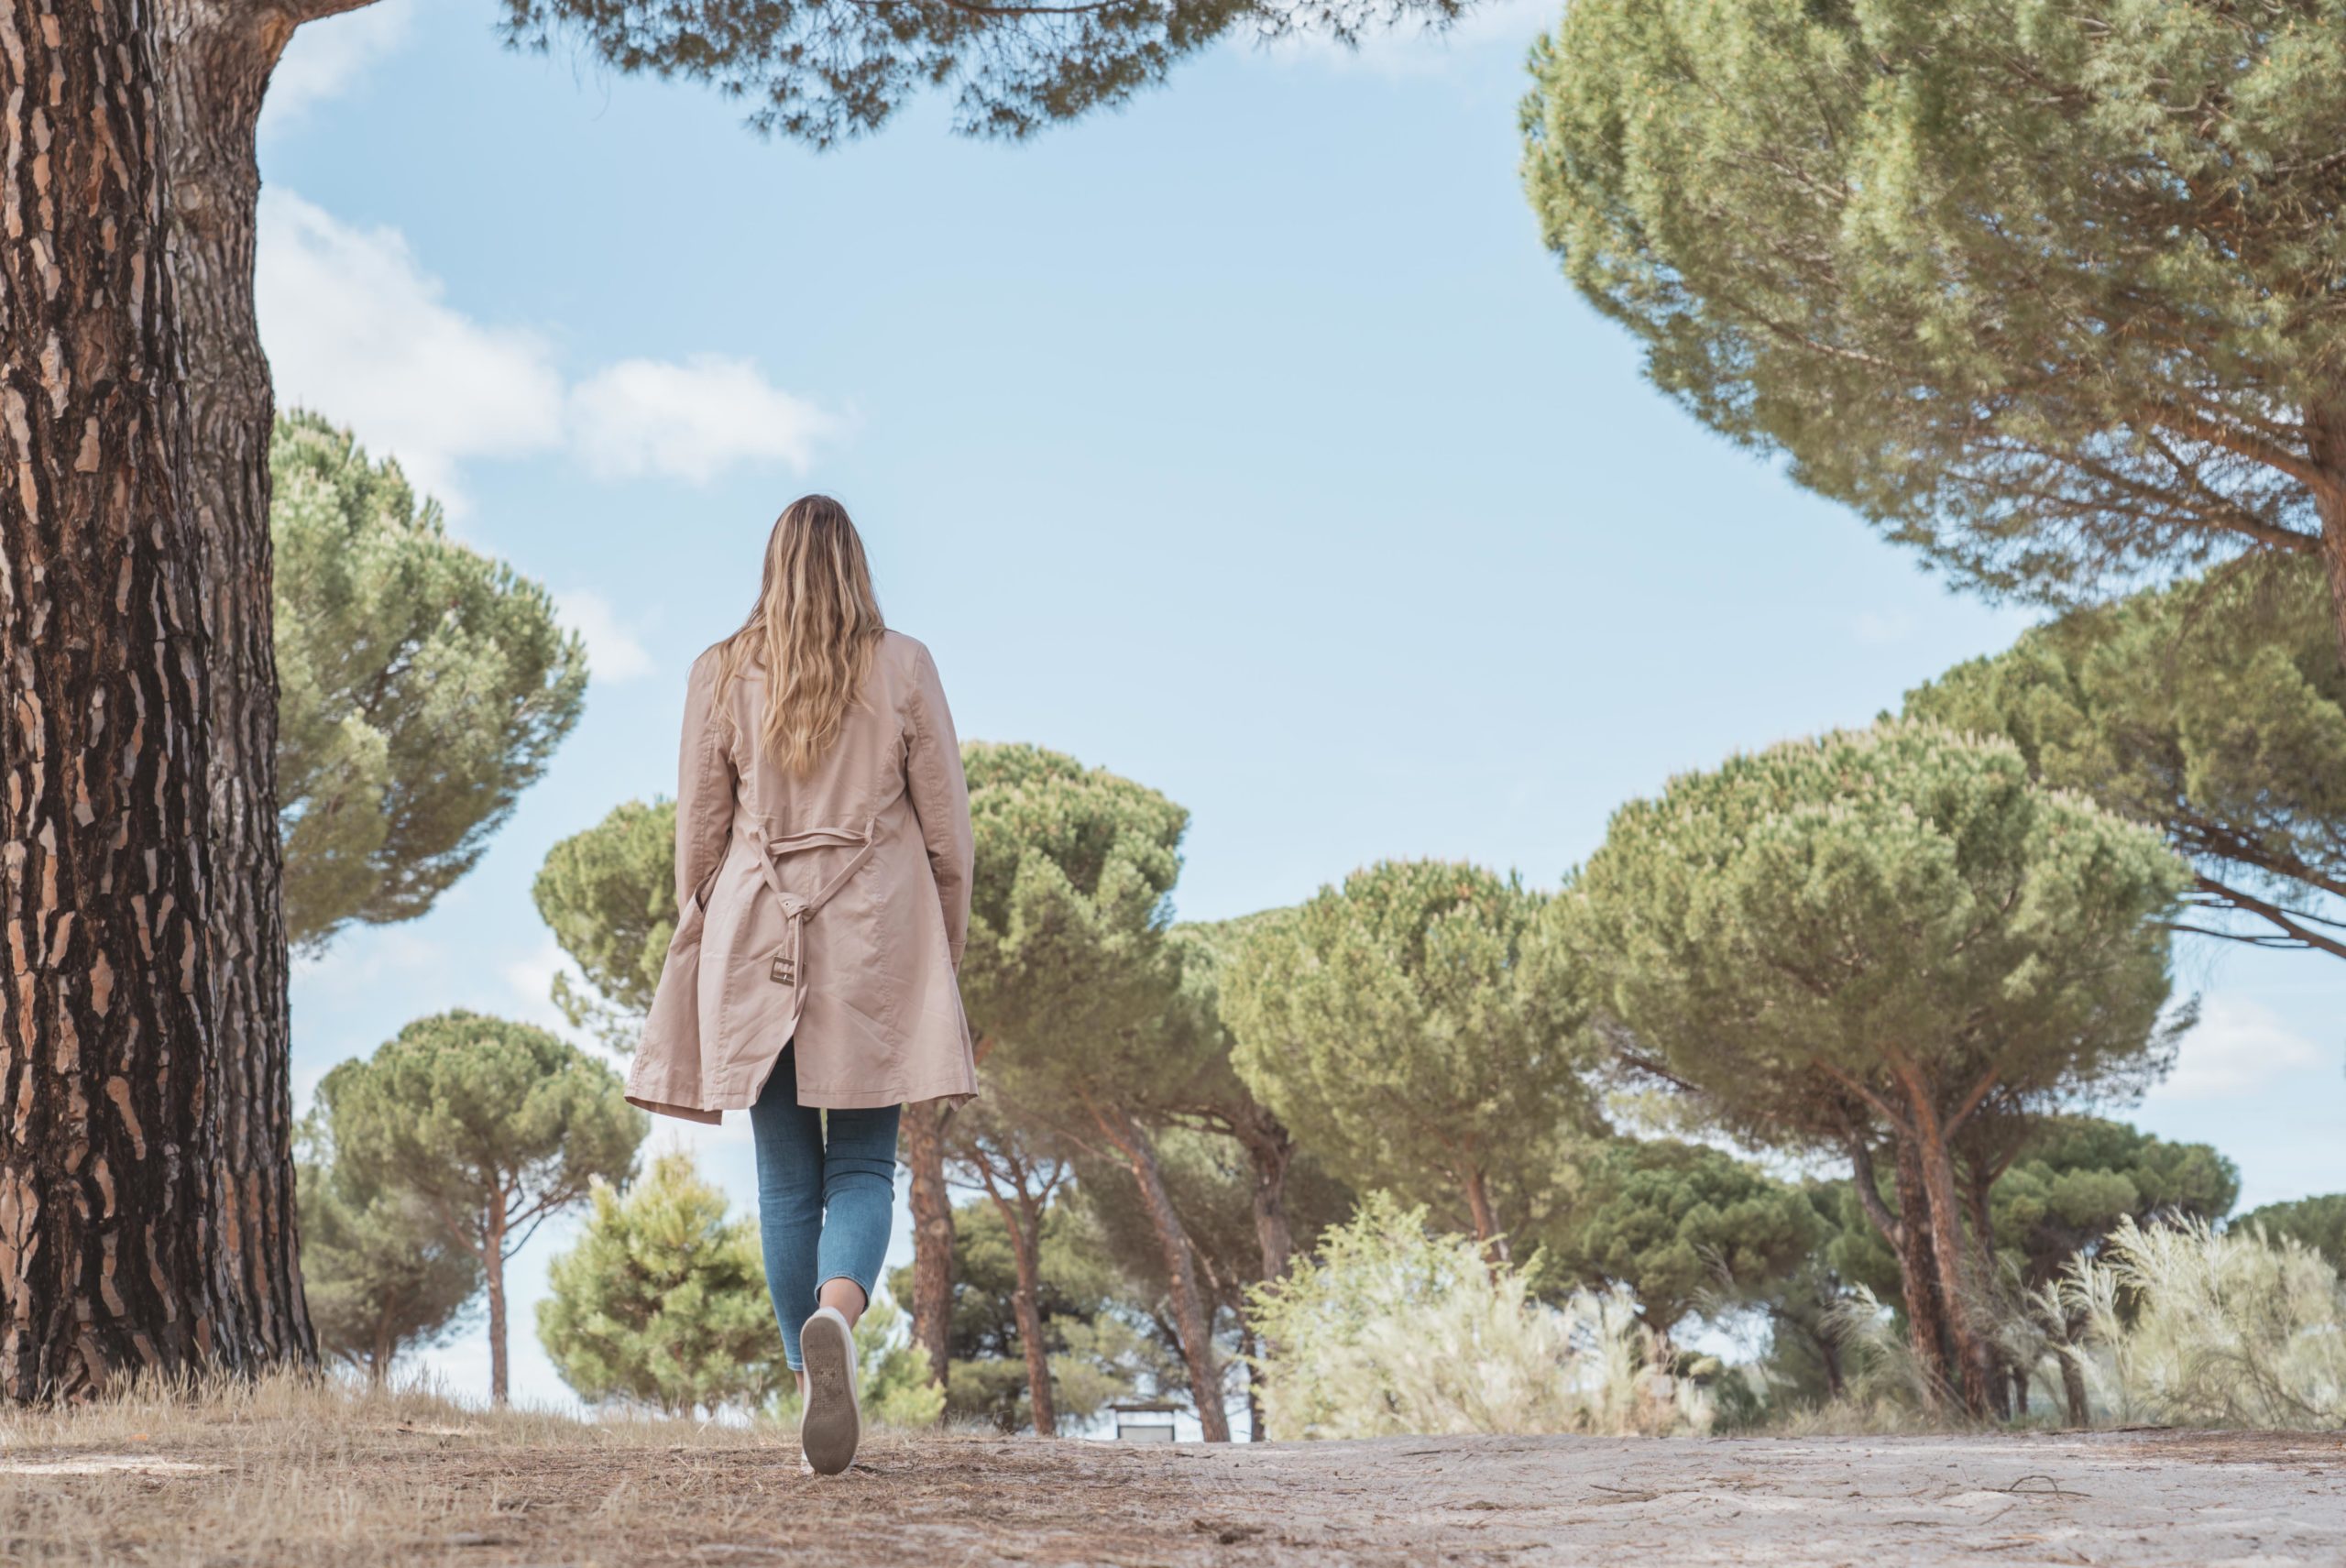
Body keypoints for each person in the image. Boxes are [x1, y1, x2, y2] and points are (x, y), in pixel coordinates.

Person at [626, 495, 976, 1475]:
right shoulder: (905, 663)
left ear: (771, 564)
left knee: (786, 1173)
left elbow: (698, 835)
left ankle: (807, 1369)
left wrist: (703, 928)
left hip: (755, 928)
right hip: (875, 936)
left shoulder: (720, 668)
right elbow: (947, 831)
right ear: (857, 563)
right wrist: (939, 965)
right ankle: (838, 1318)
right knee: (862, 1166)